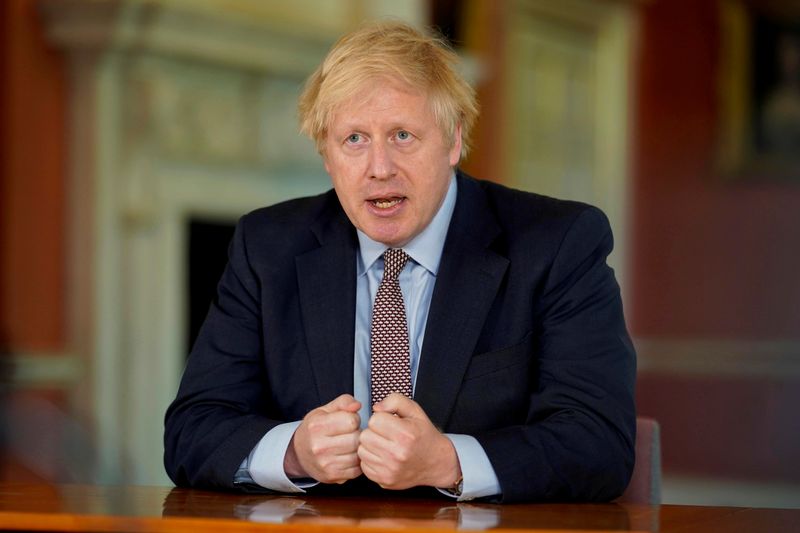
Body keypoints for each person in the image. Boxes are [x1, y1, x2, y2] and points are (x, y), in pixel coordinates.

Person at [164, 21, 636, 504]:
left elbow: (598, 442)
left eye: (403, 135)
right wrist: (293, 454)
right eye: (354, 140)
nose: (379, 167)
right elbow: (193, 428)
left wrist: (449, 462)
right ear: (327, 154)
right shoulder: (267, 246)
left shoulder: (557, 243)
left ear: (453, 140)